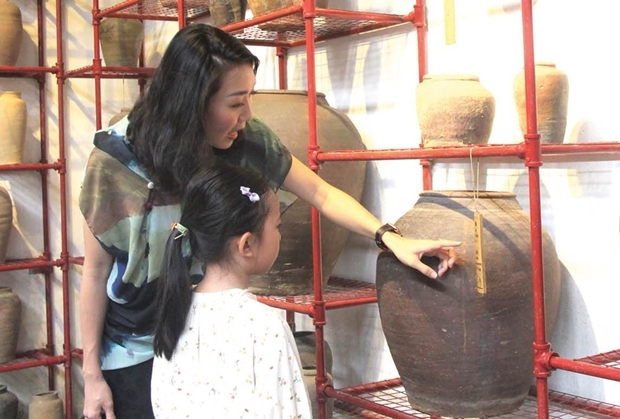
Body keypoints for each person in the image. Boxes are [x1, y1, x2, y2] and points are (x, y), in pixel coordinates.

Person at [78, 23, 461, 419]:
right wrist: (92, 377)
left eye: (250, 98)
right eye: (235, 102)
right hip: (133, 351)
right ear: (192, 103)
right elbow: (95, 274)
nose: (247, 115)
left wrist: (390, 238)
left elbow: (322, 193)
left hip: (200, 339)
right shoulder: (116, 161)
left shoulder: (245, 138)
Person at [150, 164, 311, 418]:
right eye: (277, 226)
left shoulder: (175, 312)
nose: (280, 235)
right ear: (247, 244)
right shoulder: (265, 326)